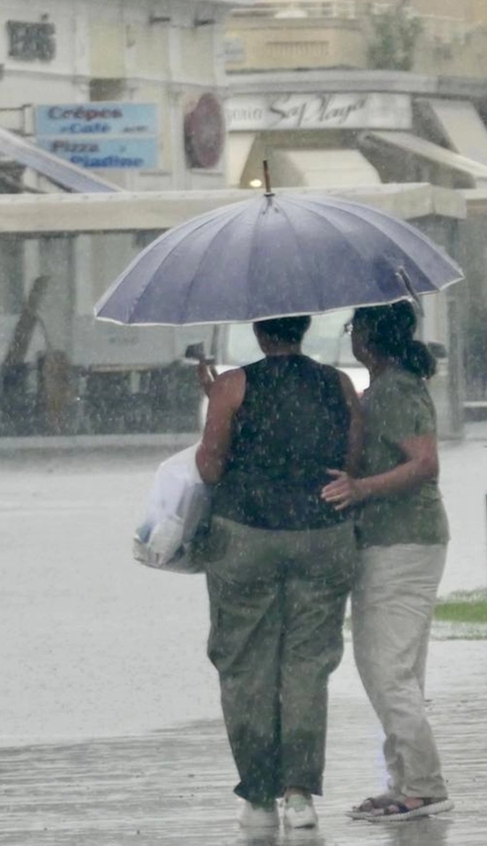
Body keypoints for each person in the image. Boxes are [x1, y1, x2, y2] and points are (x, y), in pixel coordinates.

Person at [195, 315, 364, 831]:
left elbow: (210, 466)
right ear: (305, 327)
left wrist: (217, 401)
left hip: (247, 534)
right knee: (308, 664)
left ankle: (260, 796)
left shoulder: (234, 384)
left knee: (245, 663)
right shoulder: (339, 384)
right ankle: (299, 795)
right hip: (322, 536)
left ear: (259, 331)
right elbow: (350, 460)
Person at [321, 301, 454, 822]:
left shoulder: (396, 388)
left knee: (385, 668)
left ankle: (423, 784)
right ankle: (404, 779)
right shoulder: (386, 388)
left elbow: (425, 463)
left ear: (369, 336)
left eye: (354, 327)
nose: (351, 336)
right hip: (396, 540)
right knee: (398, 670)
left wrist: (359, 490)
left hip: (402, 542)